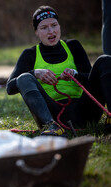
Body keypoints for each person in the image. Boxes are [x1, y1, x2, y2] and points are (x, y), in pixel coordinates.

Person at [6, 5, 111, 136]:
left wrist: (75, 74)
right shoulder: (29, 54)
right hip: (52, 115)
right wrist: (35, 73)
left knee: (105, 60)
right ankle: (51, 127)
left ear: (59, 26)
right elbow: (10, 88)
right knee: (24, 77)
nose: (51, 31)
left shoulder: (74, 46)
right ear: (36, 32)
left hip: (85, 111)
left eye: (54, 25)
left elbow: (91, 79)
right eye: (44, 28)